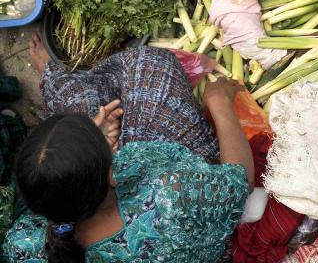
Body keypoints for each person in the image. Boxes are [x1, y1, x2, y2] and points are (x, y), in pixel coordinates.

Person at [2, 73, 253, 263]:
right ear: (113, 174)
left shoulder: (22, 246)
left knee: (81, 91)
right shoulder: (173, 196)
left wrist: (92, 149)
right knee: (151, 71)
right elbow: (240, 181)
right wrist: (219, 104)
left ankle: (53, 74)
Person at [26, 33, 219, 161]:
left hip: (108, 166)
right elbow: (236, 175)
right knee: (152, 65)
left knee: (80, 106)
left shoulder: (43, 215)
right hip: (155, 163)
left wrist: (97, 141)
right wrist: (221, 105)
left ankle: (50, 77)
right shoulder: (177, 193)